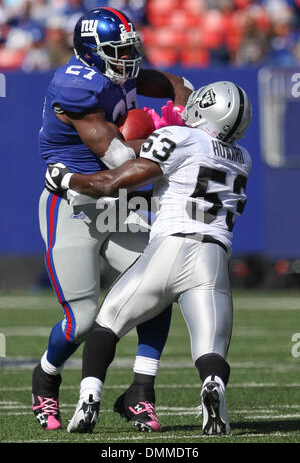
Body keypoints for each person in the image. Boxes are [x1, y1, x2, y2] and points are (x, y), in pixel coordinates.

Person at [47, 81, 252, 435]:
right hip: (214, 258)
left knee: (107, 324)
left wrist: (68, 179)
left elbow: (113, 183)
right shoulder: (242, 159)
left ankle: (89, 398)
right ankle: (212, 387)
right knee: (210, 349)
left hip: (169, 247)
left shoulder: (182, 138)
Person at [32, 6, 193, 432]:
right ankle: (45, 376)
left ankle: (142, 390)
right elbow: (120, 160)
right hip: (75, 202)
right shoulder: (74, 86)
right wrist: (172, 136)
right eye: (117, 51)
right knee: (81, 320)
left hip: (120, 202)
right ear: (91, 52)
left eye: (129, 49)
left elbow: (178, 84)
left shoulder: (119, 70)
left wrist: (179, 111)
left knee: (159, 284)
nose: (128, 59)